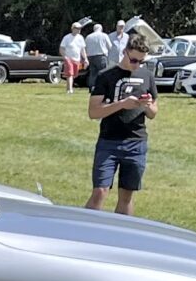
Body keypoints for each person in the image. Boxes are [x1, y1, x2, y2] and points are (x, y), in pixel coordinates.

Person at [84, 31, 157, 216]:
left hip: (136, 142)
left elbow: (153, 112)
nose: (137, 65)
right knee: (100, 191)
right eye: (134, 60)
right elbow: (93, 112)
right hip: (109, 141)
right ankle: (86, 228)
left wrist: (147, 105)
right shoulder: (106, 75)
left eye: (141, 61)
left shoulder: (147, 76)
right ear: (125, 52)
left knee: (126, 196)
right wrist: (122, 104)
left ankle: (121, 231)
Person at [58, 23, 85, 93]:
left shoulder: (81, 38)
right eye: (77, 28)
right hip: (68, 58)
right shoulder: (67, 37)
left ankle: (68, 88)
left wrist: (85, 59)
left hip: (77, 59)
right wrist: (65, 57)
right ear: (73, 28)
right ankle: (70, 89)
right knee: (70, 74)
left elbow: (82, 49)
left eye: (80, 28)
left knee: (74, 74)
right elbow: (61, 48)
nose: (79, 30)